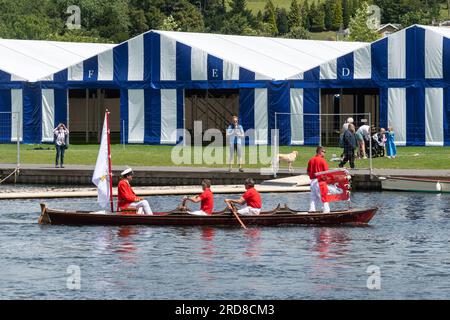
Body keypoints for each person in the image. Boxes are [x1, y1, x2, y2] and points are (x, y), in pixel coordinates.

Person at [307, 146, 330, 213]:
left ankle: (312, 210)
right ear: (320, 151)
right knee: (324, 197)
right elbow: (327, 173)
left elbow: (308, 172)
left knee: (313, 198)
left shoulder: (311, 160)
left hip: (312, 182)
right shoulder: (323, 160)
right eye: (324, 152)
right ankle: (326, 211)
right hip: (320, 182)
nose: (324, 153)